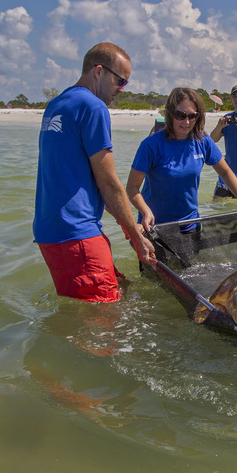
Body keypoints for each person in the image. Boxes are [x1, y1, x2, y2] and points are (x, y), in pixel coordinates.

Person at [33, 43, 155, 303]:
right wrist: (135, 235)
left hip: (49, 234)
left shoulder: (57, 104)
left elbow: (77, 178)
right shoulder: (93, 107)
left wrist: (127, 224)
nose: (122, 89)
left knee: (120, 290)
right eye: (120, 81)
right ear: (99, 71)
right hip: (77, 234)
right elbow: (108, 183)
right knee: (105, 323)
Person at [127, 88, 237, 231]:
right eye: (180, 115)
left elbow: (225, 172)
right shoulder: (150, 145)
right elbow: (132, 188)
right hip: (154, 226)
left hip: (190, 224)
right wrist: (145, 211)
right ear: (170, 114)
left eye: (192, 116)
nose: (186, 122)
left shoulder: (203, 140)